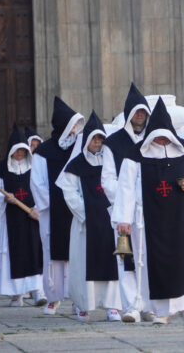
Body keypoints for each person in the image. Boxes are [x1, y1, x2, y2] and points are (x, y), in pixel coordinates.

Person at [112, 97, 184, 325]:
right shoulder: (136, 155)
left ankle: (183, 306)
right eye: (158, 137)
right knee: (148, 261)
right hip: (146, 219)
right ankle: (155, 309)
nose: (162, 140)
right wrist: (123, 219)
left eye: (165, 136)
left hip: (182, 216)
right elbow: (125, 187)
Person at [56, 111, 122, 322]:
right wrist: (87, 213)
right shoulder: (75, 166)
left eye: (101, 138)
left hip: (109, 220)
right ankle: (83, 305)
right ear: (87, 141)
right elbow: (69, 192)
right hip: (86, 224)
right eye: (94, 138)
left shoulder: (111, 162)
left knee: (112, 261)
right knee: (83, 263)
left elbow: (119, 186)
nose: (98, 142)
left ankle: (112, 306)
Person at [101, 83, 154, 323]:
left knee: (150, 258)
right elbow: (109, 179)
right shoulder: (114, 143)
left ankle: (150, 304)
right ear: (128, 114)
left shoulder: (155, 139)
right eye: (136, 112)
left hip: (152, 210)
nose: (140, 116)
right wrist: (127, 204)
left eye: (143, 112)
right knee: (127, 260)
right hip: (125, 212)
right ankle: (131, 306)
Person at [31, 96, 85, 314]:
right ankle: (53, 297)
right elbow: (37, 183)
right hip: (53, 212)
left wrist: (80, 201)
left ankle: (78, 299)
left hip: (76, 209)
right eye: (71, 126)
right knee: (53, 256)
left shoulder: (80, 148)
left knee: (77, 254)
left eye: (76, 127)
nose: (74, 130)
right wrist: (52, 203)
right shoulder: (43, 152)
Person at [0, 124, 46, 307]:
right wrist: (3, 198)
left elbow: (42, 189)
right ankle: (17, 294)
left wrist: (38, 208)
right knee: (14, 254)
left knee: (35, 251)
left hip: (32, 217)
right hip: (12, 219)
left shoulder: (34, 166)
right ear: (11, 151)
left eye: (22, 151)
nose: (19, 155)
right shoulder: (1, 168)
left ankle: (37, 291)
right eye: (17, 151)